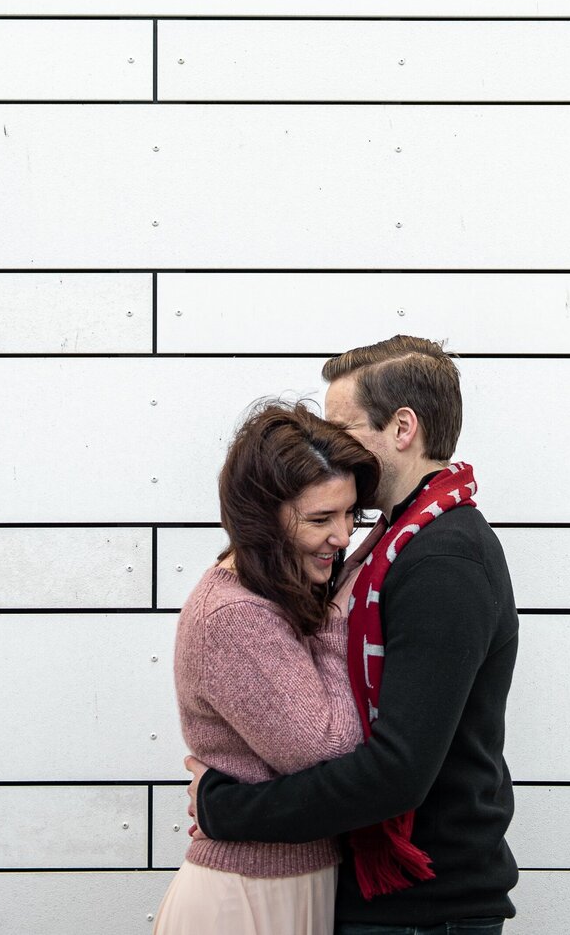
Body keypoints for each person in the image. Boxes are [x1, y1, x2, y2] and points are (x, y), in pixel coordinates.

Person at [188, 335, 519, 934]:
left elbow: (397, 772)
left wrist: (226, 808)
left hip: (425, 909)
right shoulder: (389, 544)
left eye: (343, 426)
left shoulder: (443, 559)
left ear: (402, 428)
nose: (333, 444)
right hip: (391, 898)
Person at [152, 400, 381, 935]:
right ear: (263, 518)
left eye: (351, 515)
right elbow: (329, 752)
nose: (343, 537)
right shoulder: (234, 616)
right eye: (321, 519)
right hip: (244, 902)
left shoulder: (273, 596)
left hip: (284, 889)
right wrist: (334, 617)